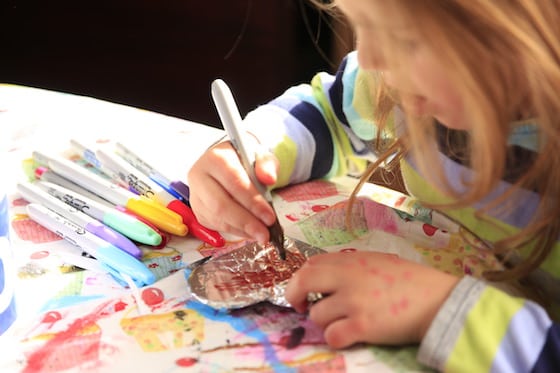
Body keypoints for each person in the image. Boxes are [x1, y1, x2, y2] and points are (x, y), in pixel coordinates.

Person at [188, 0, 560, 371]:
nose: (367, 59)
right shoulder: (389, 82)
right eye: (359, 23)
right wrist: (252, 152)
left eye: (403, 37)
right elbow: (327, 112)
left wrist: (441, 309)